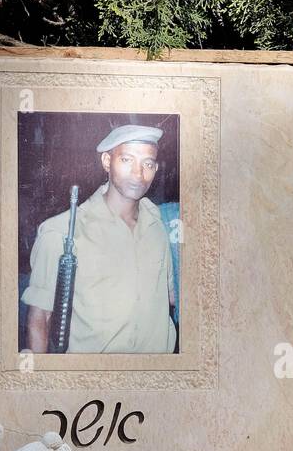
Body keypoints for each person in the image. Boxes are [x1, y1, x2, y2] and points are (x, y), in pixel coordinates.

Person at [23, 123, 178, 354]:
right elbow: (40, 319)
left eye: (148, 163)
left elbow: (171, 295)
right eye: (127, 160)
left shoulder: (160, 225)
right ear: (107, 161)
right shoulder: (62, 231)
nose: (139, 174)